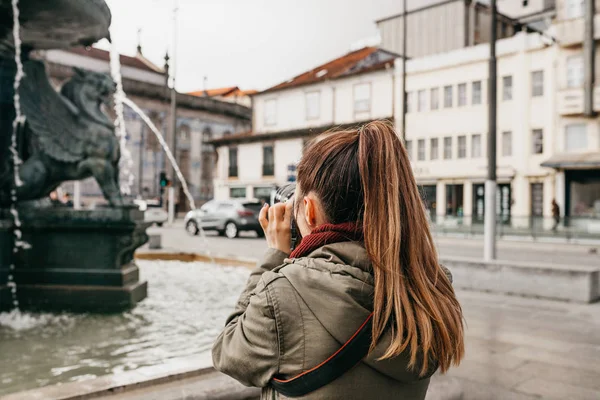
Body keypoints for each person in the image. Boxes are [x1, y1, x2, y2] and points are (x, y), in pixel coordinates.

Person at [212, 121, 464, 399]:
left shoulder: (284, 293)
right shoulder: (428, 286)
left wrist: (276, 254)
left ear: (309, 211)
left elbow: (228, 352)